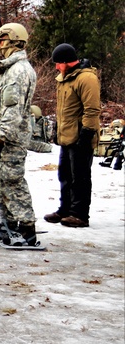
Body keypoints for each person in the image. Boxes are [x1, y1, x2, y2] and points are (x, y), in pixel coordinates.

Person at [0, 23, 37, 245]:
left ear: (15, 40)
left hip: (10, 139)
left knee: (12, 181)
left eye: (3, 39)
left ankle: (26, 229)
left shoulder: (18, 72)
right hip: (2, 137)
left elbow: (12, 110)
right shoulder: (10, 70)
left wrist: (0, 136)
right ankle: (8, 223)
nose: (0, 43)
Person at [45, 43, 101, 228]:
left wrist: (86, 134)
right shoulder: (64, 78)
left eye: (58, 63)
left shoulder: (86, 78)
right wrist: (56, 131)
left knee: (80, 177)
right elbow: (63, 110)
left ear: (67, 62)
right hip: (67, 137)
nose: (56, 67)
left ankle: (79, 214)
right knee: (65, 175)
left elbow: (92, 109)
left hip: (81, 136)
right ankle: (65, 210)